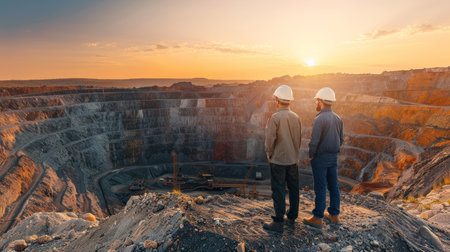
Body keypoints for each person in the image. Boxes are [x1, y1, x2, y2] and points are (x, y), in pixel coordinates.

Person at [263, 85, 302, 233]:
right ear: (290, 100)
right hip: (293, 160)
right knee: (293, 188)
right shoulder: (296, 117)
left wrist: (269, 155)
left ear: (277, 99)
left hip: (278, 161)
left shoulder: (275, 118)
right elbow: (298, 140)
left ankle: (278, 221)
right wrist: (295, 155)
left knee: (278, 189)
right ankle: (292, 216)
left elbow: (270, 141)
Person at [303, 87, 343, 229]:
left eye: (317, 101)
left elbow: (314, 141)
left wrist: (311, 155)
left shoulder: (319, 118)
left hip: (320, 157)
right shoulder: (338, 118)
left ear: (321, 101)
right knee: (334, 186)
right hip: (333, 157)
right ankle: (334, 215)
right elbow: (341, 139)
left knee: (320, 186)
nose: (316, 103)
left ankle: (318, 217)